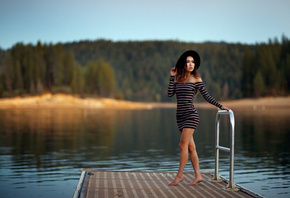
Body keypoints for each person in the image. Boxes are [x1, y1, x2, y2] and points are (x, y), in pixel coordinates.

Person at [167, 50, 231, 186]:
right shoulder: (178, 77)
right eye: (188, 62)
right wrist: (171, 77)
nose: (191, 64)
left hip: (191, 115)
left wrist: (220, 106)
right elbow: (169, 94)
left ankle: (179, 176)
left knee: (182, 145)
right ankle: (198, 175)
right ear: (183, 64)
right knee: (191, 148)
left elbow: (207, 96)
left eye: (193, 62)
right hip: (180, 116)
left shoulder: (197, 79)